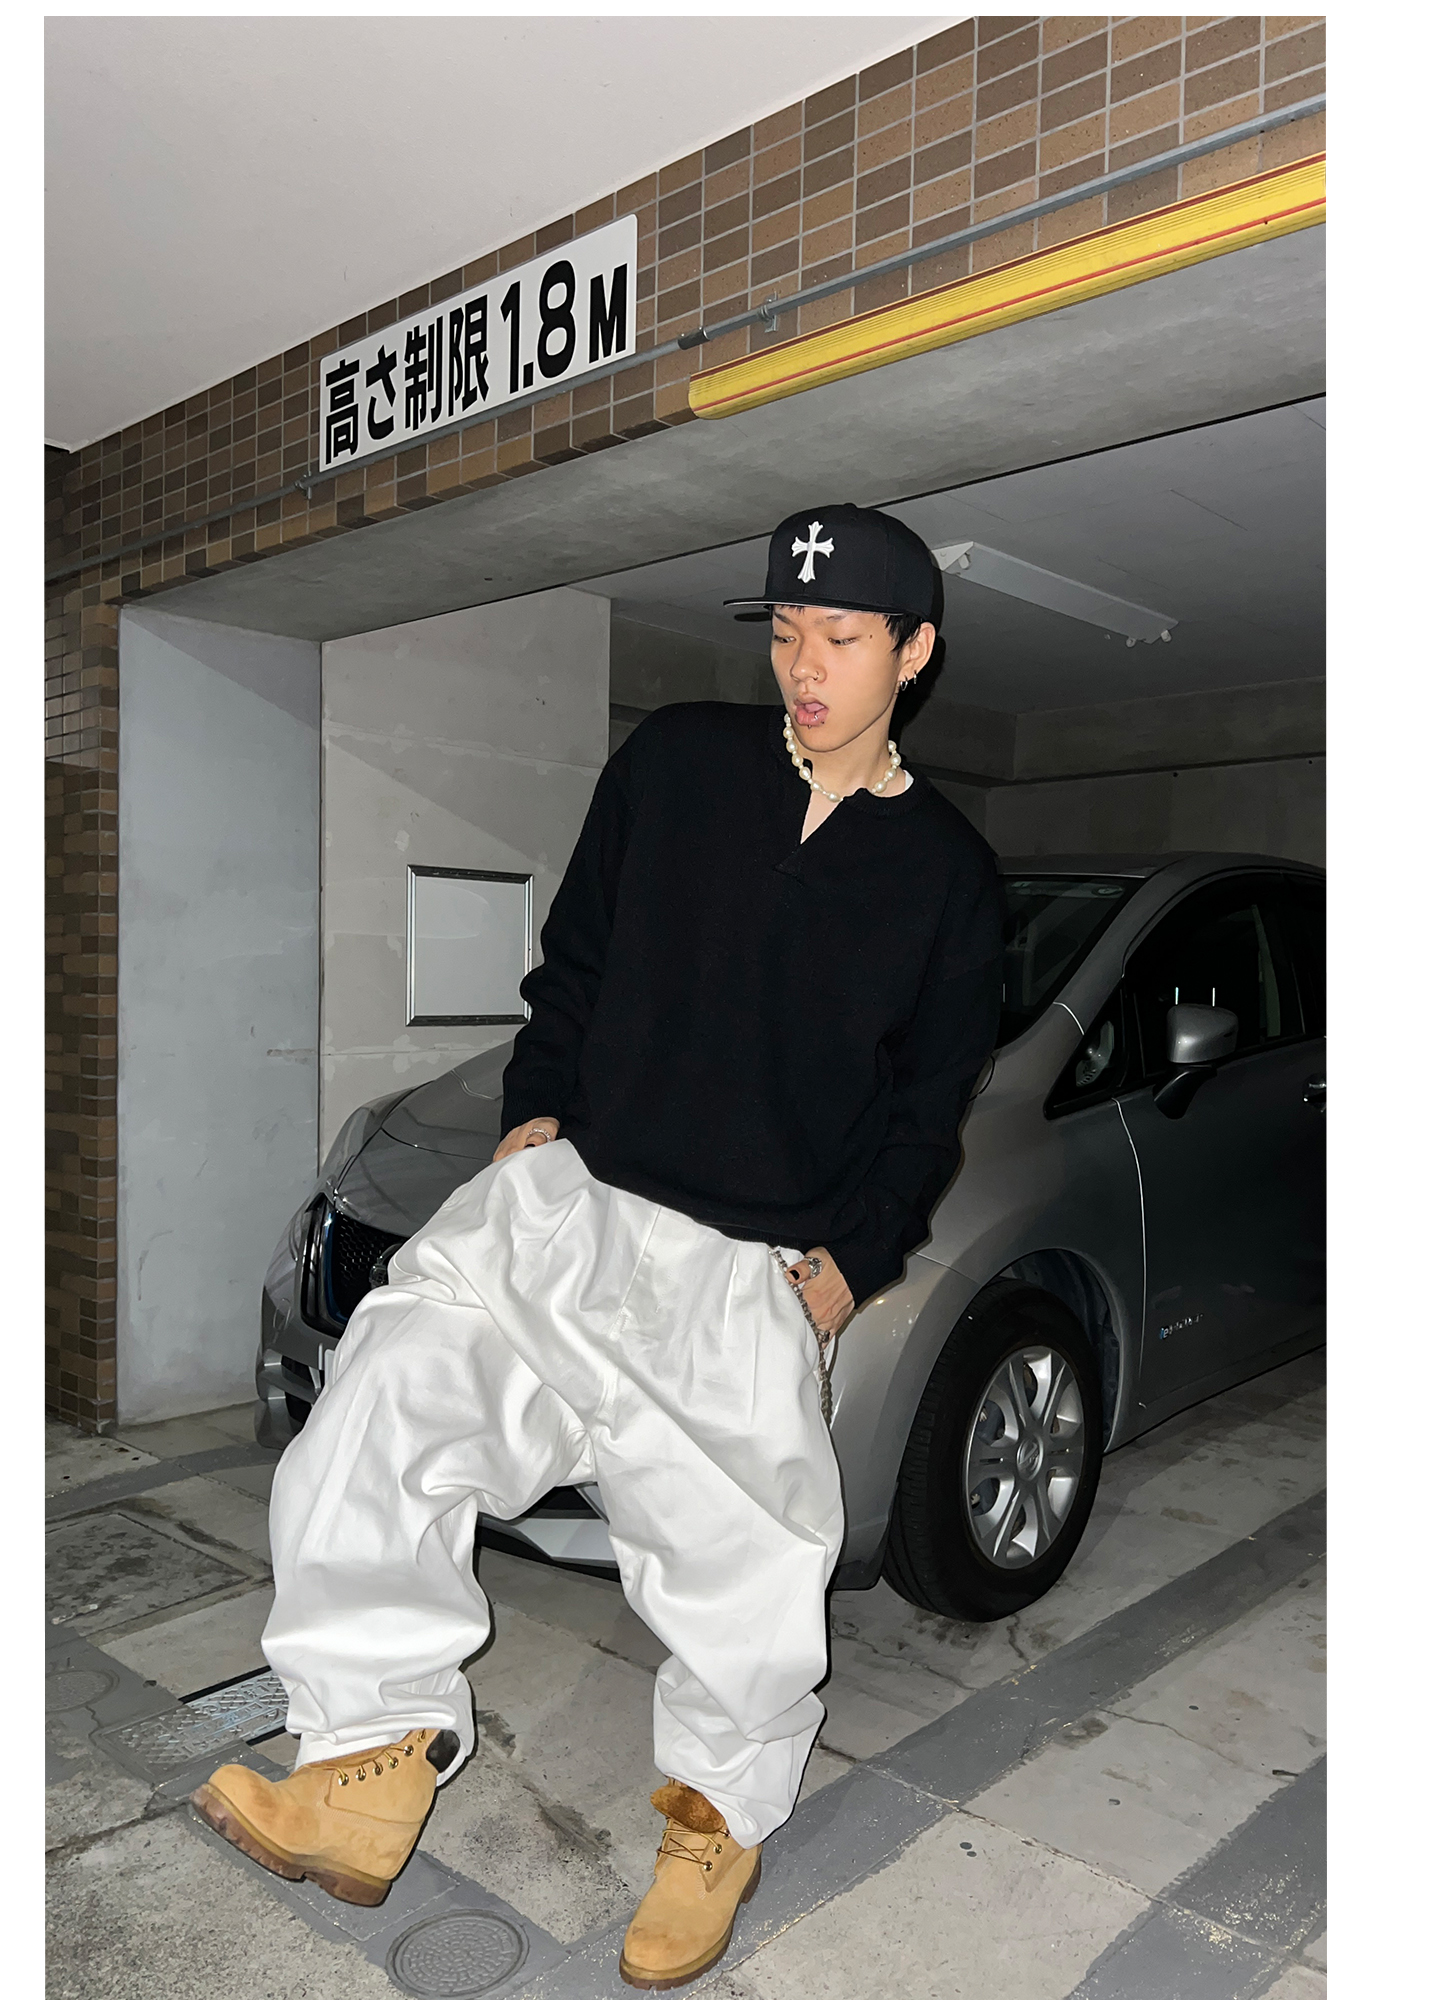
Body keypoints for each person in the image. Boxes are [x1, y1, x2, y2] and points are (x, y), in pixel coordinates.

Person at [192, 502, 1006, 1990]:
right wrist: (532, 1114)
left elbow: (926, 1106)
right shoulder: (679, 763)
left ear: (915, 652)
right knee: (380, 1407)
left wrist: (852, 1263)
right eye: (784, 632)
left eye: (840, 638)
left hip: (745, 1266)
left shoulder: (948, 875)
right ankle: (366, 1761)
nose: (803, 666)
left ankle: (716, 1822)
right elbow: (572, 956)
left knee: (747, 1570)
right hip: (572, 1206)